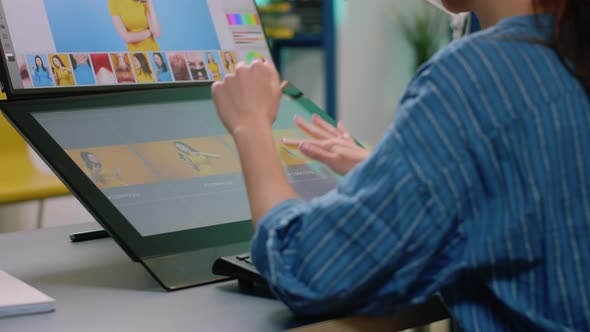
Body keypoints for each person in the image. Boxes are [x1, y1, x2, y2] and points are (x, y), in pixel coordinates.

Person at [211, 0, 590, 330]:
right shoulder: (566, 55)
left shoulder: (475, 79)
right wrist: (404, 172)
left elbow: (306, 267)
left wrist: (251, 124)